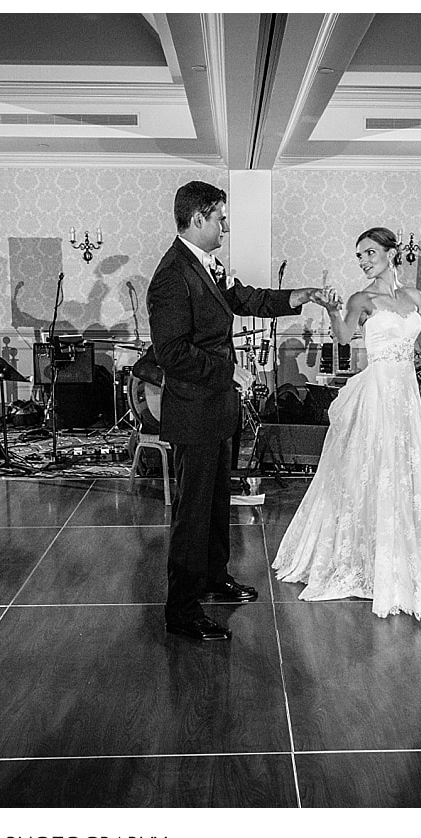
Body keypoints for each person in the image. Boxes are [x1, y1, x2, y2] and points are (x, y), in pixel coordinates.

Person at [271, 227, 421, 620]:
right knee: (369, 472)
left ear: (392, 253)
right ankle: (364, 560)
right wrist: (334, 311)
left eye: (370, 252)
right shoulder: (362, 299)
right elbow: (342, 336)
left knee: (404, 472)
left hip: (404, 395)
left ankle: (401, 557)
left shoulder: (413, 297)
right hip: (377, 392)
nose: (364, 260)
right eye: (359, 256)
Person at [147, 181, 327, 642]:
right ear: (199, 218)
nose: (225, 226)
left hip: (216, 410)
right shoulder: (172, 276)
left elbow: (245, 298)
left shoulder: (206, 265)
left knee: (216, 501)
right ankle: (182, 611)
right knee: (192, 512)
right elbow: (171, 353)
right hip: (194, 411)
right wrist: (227, 372)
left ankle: (213, 577)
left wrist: (296, 297)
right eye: (221, 218)